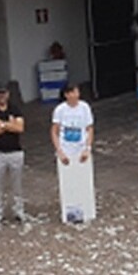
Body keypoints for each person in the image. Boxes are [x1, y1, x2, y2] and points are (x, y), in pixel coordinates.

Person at [0, 82, 29, 227]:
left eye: (3, 93)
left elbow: (20, 128)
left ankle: (19, 211)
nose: (1, 96)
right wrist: (10, 125)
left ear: (8, 94)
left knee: (17, 185)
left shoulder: (14, 108)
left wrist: (1, 125)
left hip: (15, 151)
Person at [52, 82, 97, 223]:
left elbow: (89, 128)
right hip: (66, 148)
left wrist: (87, 148)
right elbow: (55, 130)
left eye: (77, 92)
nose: (75, 95)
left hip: (81, 148)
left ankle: (87, 210)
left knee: (84, 181)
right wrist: (59, 150)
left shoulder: (84, 107)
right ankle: (70, 213)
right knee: (68, 183)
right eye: (72, 92)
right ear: (66, 94)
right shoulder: (60, 110)